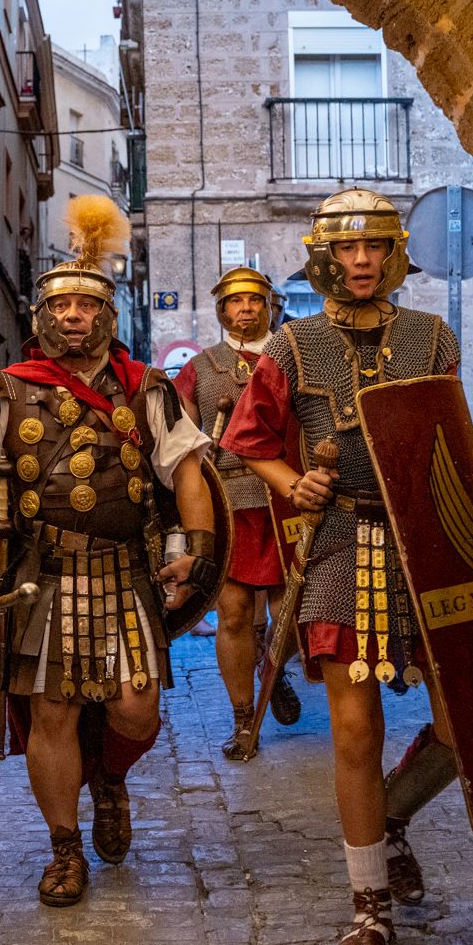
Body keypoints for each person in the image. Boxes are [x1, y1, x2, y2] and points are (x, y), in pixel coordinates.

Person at [0, 195, 220, 904]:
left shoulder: (147, 389)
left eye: (85, 306)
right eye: (60, 305)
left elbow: (188, 473)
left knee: (135, 709)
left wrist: (193, 549)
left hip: (126, 570)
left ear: (106, 315)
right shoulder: (7, 391)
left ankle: (110, 777)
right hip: (43, 571)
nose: (72, 315)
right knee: (53, 711)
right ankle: (64, 846)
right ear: (44, 317)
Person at [223, 190, 460, 945]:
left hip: (428, 542)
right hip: (342, 543)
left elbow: (452, 439)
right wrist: (292, 483)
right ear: (324, 257)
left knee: (466, 724)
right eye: (346, 250)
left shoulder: (432, 337)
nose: (361, 262)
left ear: (394, 254)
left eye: (375, 248)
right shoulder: (294, 345)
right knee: (355, 730)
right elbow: (247, 438)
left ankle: (392, 816)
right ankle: (369, 905)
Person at [174, 266, 302, 758]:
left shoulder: (294, 358)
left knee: (289, 615)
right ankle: (244, 718)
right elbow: (182, 442)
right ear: (221, 310)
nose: (246, 308)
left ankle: (272, 667)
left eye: (255, 300)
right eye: (235, 301)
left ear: (270, 306)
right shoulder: (201, 367)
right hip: (228, 503)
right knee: (231, 616)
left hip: (286, 500)